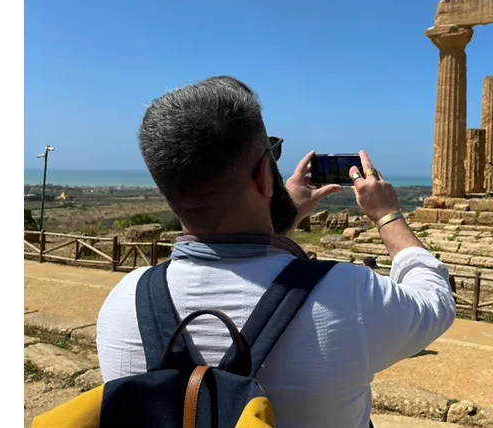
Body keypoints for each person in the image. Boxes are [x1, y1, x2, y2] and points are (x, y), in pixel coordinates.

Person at [95, 76, 456, 428]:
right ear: (266, 175)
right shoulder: (349, 295)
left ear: (162, 188)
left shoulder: (123, 302)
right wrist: (386, 214)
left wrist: (284, 215)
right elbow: (436, 300)